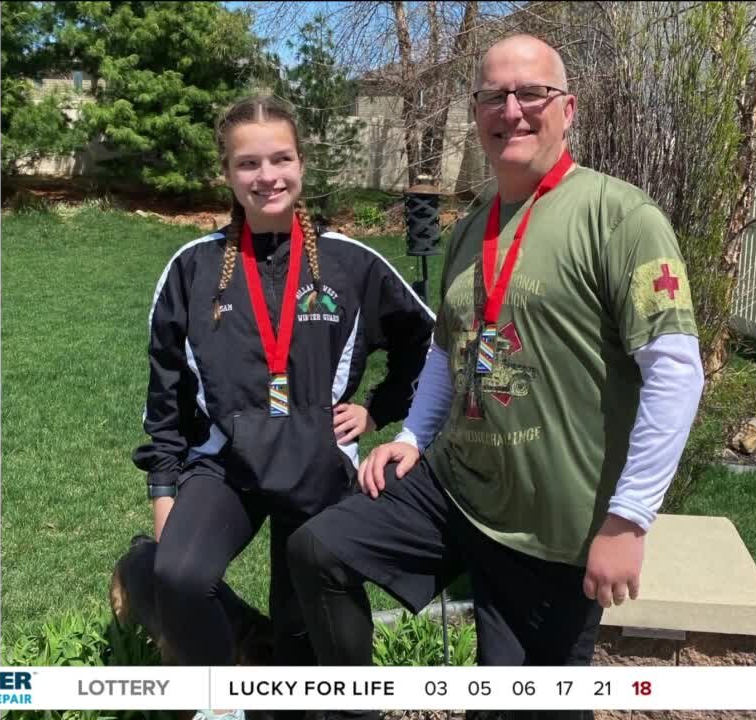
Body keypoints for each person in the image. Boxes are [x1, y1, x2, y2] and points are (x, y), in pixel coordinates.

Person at [286, 34, 706, 720]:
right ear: (476, 112)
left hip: (555, 529)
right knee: (319, 550)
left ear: (566, 109)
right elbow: (448, 351)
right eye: (493, 95)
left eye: (531, 93)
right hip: (458, 491)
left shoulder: (622, 218)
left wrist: (628, 521)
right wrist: (416, 436)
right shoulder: (470, 228)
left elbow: (676, 374)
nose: (511, 109)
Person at [131, 94, 435, 720]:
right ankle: (224, 706)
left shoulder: (351, 264)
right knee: (179, 577)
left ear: (301, 164)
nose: (266, 176)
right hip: (227, 466)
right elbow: (166, 392)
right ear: (227, 174)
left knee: (305, 624)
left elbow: (427, 339)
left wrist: (379, 410)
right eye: (248, 163)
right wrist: (165, 489)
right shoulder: (192, 269)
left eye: (280, 158)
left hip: (317, 463)